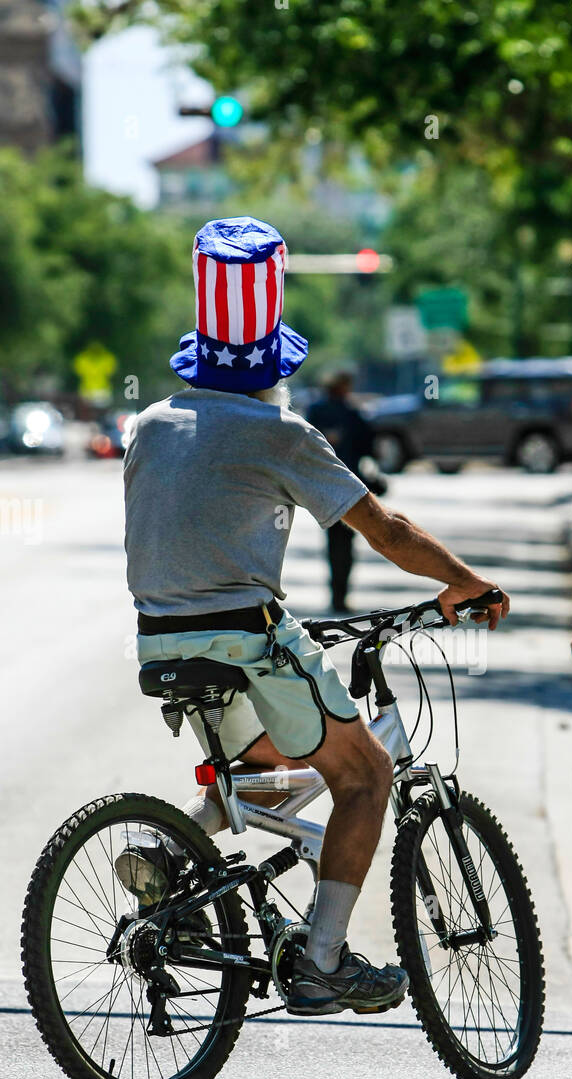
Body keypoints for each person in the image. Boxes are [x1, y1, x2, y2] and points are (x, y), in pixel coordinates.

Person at [121, 216, 509, 1015]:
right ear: (272, 364)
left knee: (267, 769)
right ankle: (323, 960)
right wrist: (468, 581)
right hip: (246, 635)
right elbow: (387, 531)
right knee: (365, 776)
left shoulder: (149, 425)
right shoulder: (281, 431)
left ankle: (167, 847)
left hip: (159, 642)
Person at [306, 369, 381, 612]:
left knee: (335, 543)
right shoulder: (352, 413)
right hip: (349, 486)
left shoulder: (316, 411)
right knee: (345, 544)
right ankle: (341, 594)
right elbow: (370, 445)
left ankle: (337, 594)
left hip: (323, 487)